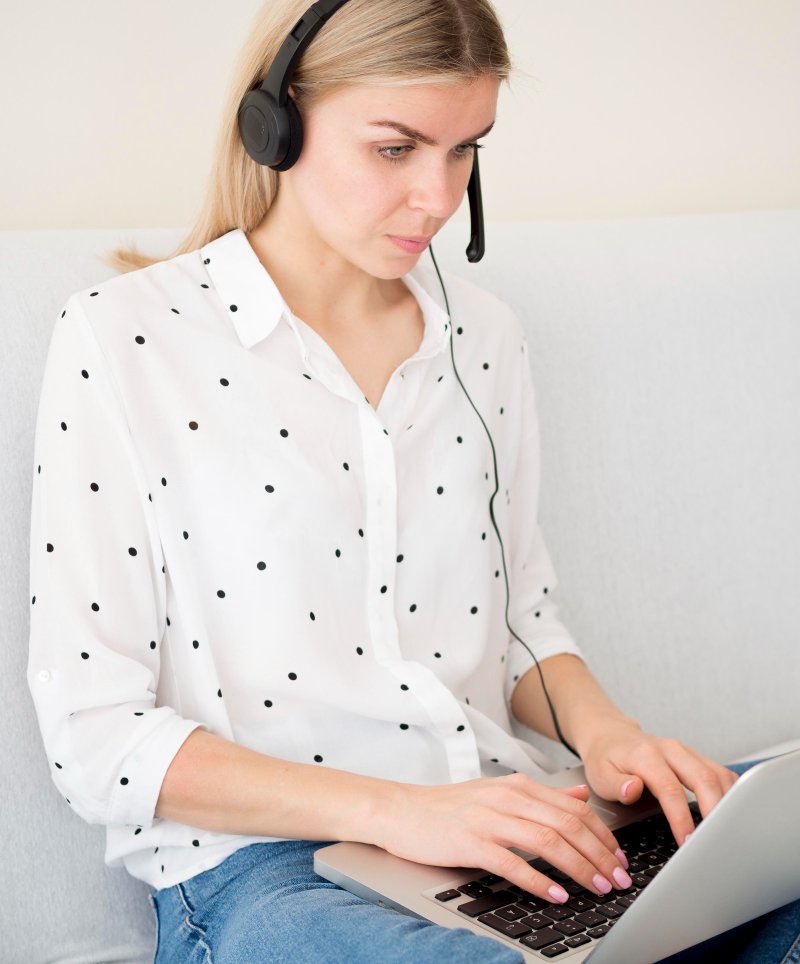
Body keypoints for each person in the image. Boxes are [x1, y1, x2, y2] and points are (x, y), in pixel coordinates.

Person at [26, 1, 799, 961]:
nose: (437, 198)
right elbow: (95, 733)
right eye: (395, 149)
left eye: (465, 149)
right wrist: (403, 813)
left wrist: (609, 736)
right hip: (272, 872)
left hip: (507, 831)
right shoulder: (125, 337)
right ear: (276, 124)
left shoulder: (485, 337)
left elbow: (521, 625)